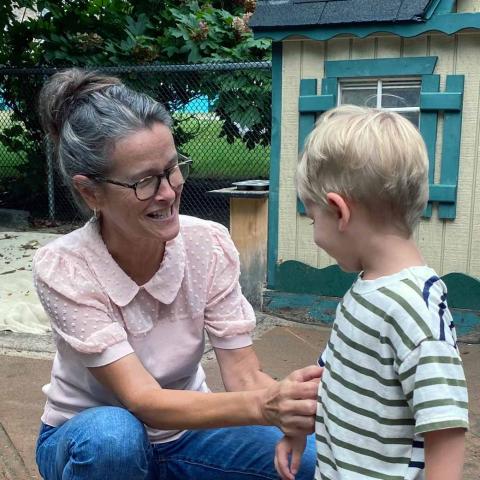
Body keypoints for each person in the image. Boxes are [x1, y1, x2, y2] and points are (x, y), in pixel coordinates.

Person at [33, 68, 321, 480]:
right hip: (85, 438)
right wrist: (264, 406)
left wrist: (292, 403)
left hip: (187, 433)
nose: (168, 192)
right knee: (114, 438)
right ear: (89, 192)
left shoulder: (208, 244)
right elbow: (142, 399)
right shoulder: (64, 267)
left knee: (310, 460)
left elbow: (242, 374)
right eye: (145, 182)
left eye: (172, 168)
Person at [274, 105, 469, 480]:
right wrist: (299, 430)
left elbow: (444, 426)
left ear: (339, 211)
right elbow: (330, 373)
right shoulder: (367, 288)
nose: (315, 235)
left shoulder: (416, 309)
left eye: (314, 220)